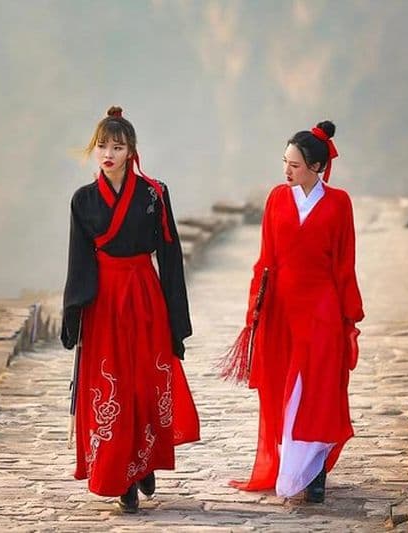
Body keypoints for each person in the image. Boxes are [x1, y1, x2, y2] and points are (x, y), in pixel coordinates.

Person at [61, 106, 200, 513]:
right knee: (113, 386)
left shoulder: (154, 194)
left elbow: (170, 257)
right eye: (102, 145)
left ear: (131, 151)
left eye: (117, 146)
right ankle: (122, 474)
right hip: (104, 301)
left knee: (143, 382)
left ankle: (144, 463)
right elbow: (78, 260)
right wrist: (73, 313)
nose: (108, 153)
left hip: (144, 295)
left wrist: (177, 319)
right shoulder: (83, 201)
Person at [228, 120, 364, 503]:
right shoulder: (276, 199)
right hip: (281, 310)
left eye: (295, 165)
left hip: (322, 308)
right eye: (285, 162)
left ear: (318, 168)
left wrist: (348, 316)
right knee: (284, 390)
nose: (286, 171)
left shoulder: (339, 204)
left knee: (317, 389)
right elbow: (265, 259)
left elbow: (344, 264)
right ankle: (293, 464)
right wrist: (254, 308)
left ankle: (316, 468)